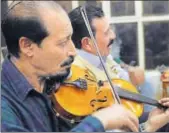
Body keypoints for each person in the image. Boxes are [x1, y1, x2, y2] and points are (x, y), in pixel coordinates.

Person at [1, 1, 168, 132]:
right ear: (27, 46)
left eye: (71, 39)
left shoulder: (49, 84)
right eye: (62, 42)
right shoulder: (4, 106)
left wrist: (148, 127)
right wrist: (99, 121)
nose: (74, 52)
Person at [68, 4, 169, 132]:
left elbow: (125, 85)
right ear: (87, 43)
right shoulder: (75, 73)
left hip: (126, 118)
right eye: (106, 32)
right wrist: (148, 127)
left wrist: (135, 83)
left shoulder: (104, 56)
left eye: (111, 29)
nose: (113, 35)